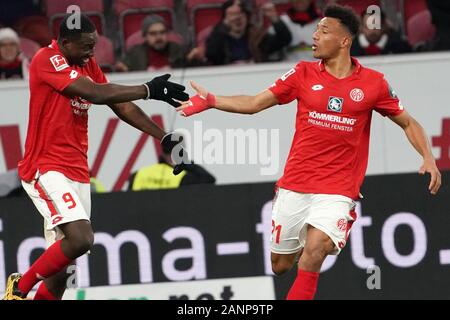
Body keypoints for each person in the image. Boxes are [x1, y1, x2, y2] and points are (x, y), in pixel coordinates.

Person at [177, 5, 441, 299]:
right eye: (316, 29)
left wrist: (427, 157)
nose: (314, 36)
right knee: (280, 265)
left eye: (323, 31)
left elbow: (408, 122)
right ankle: (311, 235)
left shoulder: (373, 84)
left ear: (344, 41)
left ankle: (328, 231)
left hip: (338, 190)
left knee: (314, 253)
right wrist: (212, 100)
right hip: (296, 184)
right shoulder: (302, 73)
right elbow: (254, 103)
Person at [2, 14, 189, 300]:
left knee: (62, 272)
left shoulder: (85, 62)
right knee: (81, 238)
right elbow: (95, 93)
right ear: (64, 42)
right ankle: (20, 287)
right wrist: (148, 90)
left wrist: (162, 136)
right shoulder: (46, 59)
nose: (92, 52)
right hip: (46, 167)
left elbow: (119, 105)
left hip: (77, 171)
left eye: (94, 46)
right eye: (86, 46)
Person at [205, 0, 291, 65]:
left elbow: (284, 40)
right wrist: (223, 27)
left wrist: (274, 19)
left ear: (247, 18)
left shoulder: (257, 36)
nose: (237, 19)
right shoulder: (218, 37)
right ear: (225, 19)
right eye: (232, 15)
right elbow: (211, 55)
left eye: (241, 15)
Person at [115, 15, 203, 72]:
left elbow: (193, 70)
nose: (158, 37)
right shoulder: (135, 53)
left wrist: (195, 58)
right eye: (153, 33)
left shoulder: (178, 49)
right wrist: (122, 70)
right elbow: (125, 72)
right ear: (145, 36)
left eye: (162, 32)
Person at [129, 135, 216, 191]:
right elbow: (209, 179)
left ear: (162, 152)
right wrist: (186, 162)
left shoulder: (138, 174)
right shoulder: (183, 177)